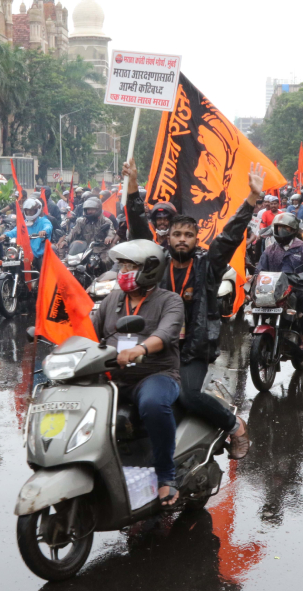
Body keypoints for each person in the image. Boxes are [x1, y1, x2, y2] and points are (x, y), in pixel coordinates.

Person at [123, 158, 252, 459]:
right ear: (168, 236)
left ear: (196, 239)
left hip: (193, 348)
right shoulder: (156, 262)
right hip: (157, 345)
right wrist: (131, 186)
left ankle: (235, 426)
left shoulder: (207, 265)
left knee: (188, 396)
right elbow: (138, 228)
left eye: (188, 235)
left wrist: (252, 199)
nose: (182, 240)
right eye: (177, 235)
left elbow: (230, 236)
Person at [91, 239, 185, 506]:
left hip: (156, 375)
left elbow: (165, 334)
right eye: (121, 265)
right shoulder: (112, 299)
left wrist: (140, 349)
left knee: (154, 405)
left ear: (150, 269)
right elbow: (89, 331)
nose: (123, 271)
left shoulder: (170, 301)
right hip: (113, 377)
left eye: (130, 265)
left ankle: (166, 475)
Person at [253, 212, 303, 352]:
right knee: (255, 303)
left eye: (285, 228)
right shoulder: (269, 250)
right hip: (274, 289)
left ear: (293, 230)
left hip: (297, 287)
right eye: (278, 228)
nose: (281, 231)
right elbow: (259, 270)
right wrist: (254, 280)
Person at [0, 197, 53, 271]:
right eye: (27, 211)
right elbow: (15, 231)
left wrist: (44, 231)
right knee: (8, 261)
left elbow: (48, 227)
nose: (29, 213)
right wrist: (5, 235)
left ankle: (42, 281)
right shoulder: (24, 223)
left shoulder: (43, 221)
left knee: (43, 268)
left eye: (31, 211)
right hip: (22, 252)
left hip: (38, 253)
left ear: (37, 210)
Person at [64, 197, 116, 268]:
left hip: (101, 249)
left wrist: (109, 237)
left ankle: (104, 278)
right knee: (67, 262)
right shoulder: (81, 221)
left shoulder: (105, 221)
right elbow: (73, 232)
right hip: (84, 250)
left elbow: (111, 231)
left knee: (105, 261)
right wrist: (65, 240)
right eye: (88, 209)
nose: (89, 211)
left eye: (92, 209)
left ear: (98, 209)